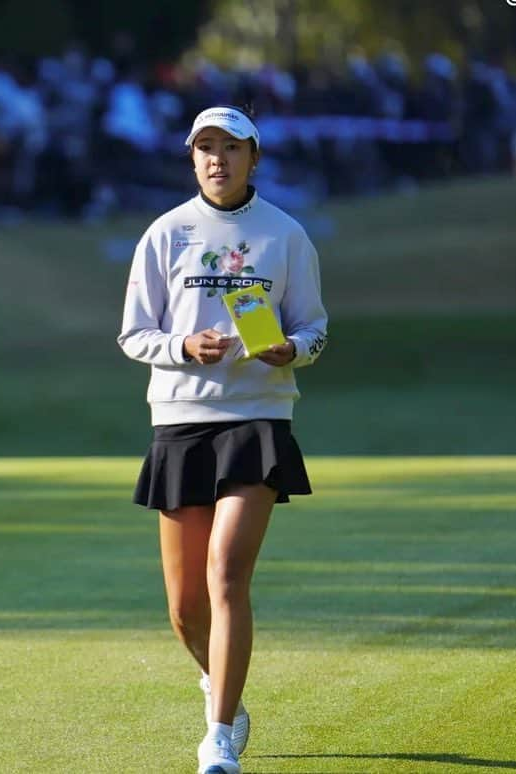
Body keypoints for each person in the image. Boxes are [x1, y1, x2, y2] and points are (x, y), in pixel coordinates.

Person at [117, 105, 328, 774]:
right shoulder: (165, 232)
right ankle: (224, 695)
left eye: (230, 147)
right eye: (204, 147)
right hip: (179, 419)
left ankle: (217, 740)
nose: (217, 158)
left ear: (252, 158)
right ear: (191, 157)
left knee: (225, 573)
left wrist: (288, 349)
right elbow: (132, 334)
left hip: (256, 421)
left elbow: (314, 330)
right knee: (183, 610)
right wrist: (183, 344)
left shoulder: (286, 235)